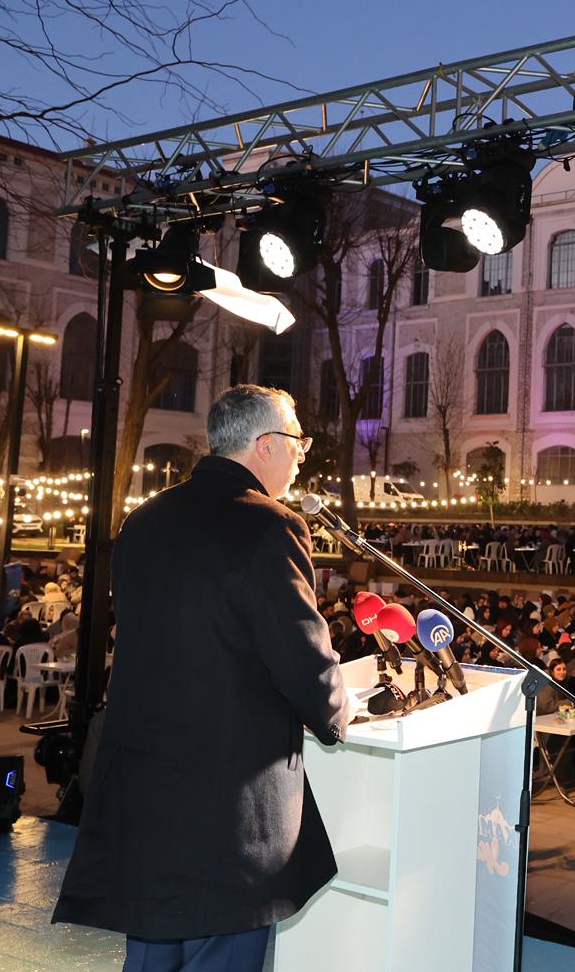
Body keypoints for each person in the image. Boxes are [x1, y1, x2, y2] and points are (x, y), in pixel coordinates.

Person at [54, 385, 350, 970]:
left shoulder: (144, 520)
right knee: (226, 951)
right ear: (266, 446)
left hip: (145, 788)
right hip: (229, 807)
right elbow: (301, 657)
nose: (301, 457)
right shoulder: (271, 526)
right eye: (299, 443)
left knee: (153, 950)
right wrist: (338, 712)